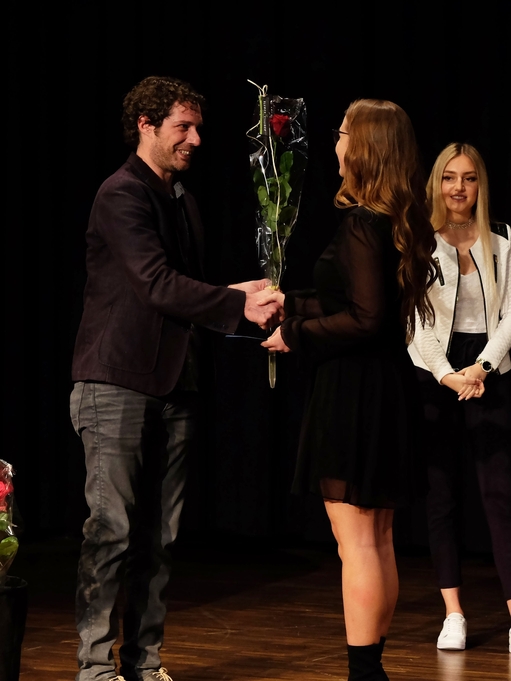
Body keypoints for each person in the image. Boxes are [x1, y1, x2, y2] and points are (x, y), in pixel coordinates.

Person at [70, 75, 279, 681]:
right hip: (116, 382)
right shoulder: (121, 194)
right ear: (146, 125)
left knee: (160, 537)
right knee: (111, 531)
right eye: (182, 127)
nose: (195, 139)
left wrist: (240, 294)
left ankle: (145, 664)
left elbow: (182, 290)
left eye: (197, 128)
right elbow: (155, 283)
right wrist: (235, 304)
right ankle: (95, 669)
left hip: (174, 384)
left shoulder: (181, 198)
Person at [261, 99, 437, 680]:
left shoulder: (363, 221)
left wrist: (294, 334)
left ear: (363, 148)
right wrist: (292, 303)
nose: (335, 143)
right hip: (382, 386)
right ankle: (371, 667)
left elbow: (366, 319)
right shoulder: (394, 218)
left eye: (341, 133)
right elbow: (357, 303)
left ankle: (363, 672)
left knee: (357, 542)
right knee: (376, 538)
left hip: (355, 390)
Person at [408, 143, 511, 653]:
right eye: (450, 177)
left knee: (500, 494)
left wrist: (482, 367)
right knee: (441, 494)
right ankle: (453, 613)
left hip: (489, 370)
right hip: (435, 372)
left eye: (469, 178)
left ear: (480, 185)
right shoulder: (419, 241)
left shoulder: (503, 240)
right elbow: (415, 319)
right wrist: (448, 375)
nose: (458, 188)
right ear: (437, 183)